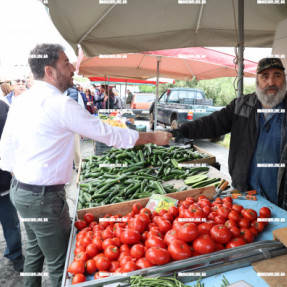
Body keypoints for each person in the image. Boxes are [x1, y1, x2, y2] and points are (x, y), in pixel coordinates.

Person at [0, 43, 171, 287]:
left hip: (22, 192)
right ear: (50, 71)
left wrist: (23, 176)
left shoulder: (22, 100)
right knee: (63, 266)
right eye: (66, 63)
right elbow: (108, 134)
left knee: (36, 253)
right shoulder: (60, 104)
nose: (72, 68)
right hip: (43, 199)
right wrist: (153, 137)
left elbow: (6, 147)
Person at [170, 57, 287, 209]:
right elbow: (212, 123)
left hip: (280, 196)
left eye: (277, 75)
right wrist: (179, 132)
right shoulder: (241, 106)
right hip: (245, 193)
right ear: (257, 80)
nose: (271, 82)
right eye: (265, 76)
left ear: (284, 78)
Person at [0, 99, 25, 272]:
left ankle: (15, 254)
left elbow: (13, 140)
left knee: (10, 220)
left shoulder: (3, 107)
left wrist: (13, 170)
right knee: (10, 220)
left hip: (2, 179)